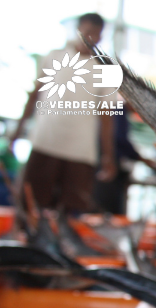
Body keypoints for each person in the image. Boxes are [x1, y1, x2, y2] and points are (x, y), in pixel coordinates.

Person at [9, 13, 116, 213]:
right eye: (87, 32)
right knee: (30, 204)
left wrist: (108, 156)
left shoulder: (106, 69)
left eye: (96, 34)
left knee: (73, 209)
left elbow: (106, 116)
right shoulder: (54, 56)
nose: (91, 38)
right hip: (45, 142)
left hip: (80, 150)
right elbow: (34, 96)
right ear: (78, 31)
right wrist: (16, 133)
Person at [93, 103, 156, 215]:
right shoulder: (117, 110)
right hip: (108, 167)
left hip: (106, 165)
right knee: (106, 208)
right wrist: (143, 159)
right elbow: (120, 141)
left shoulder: (119, 111)